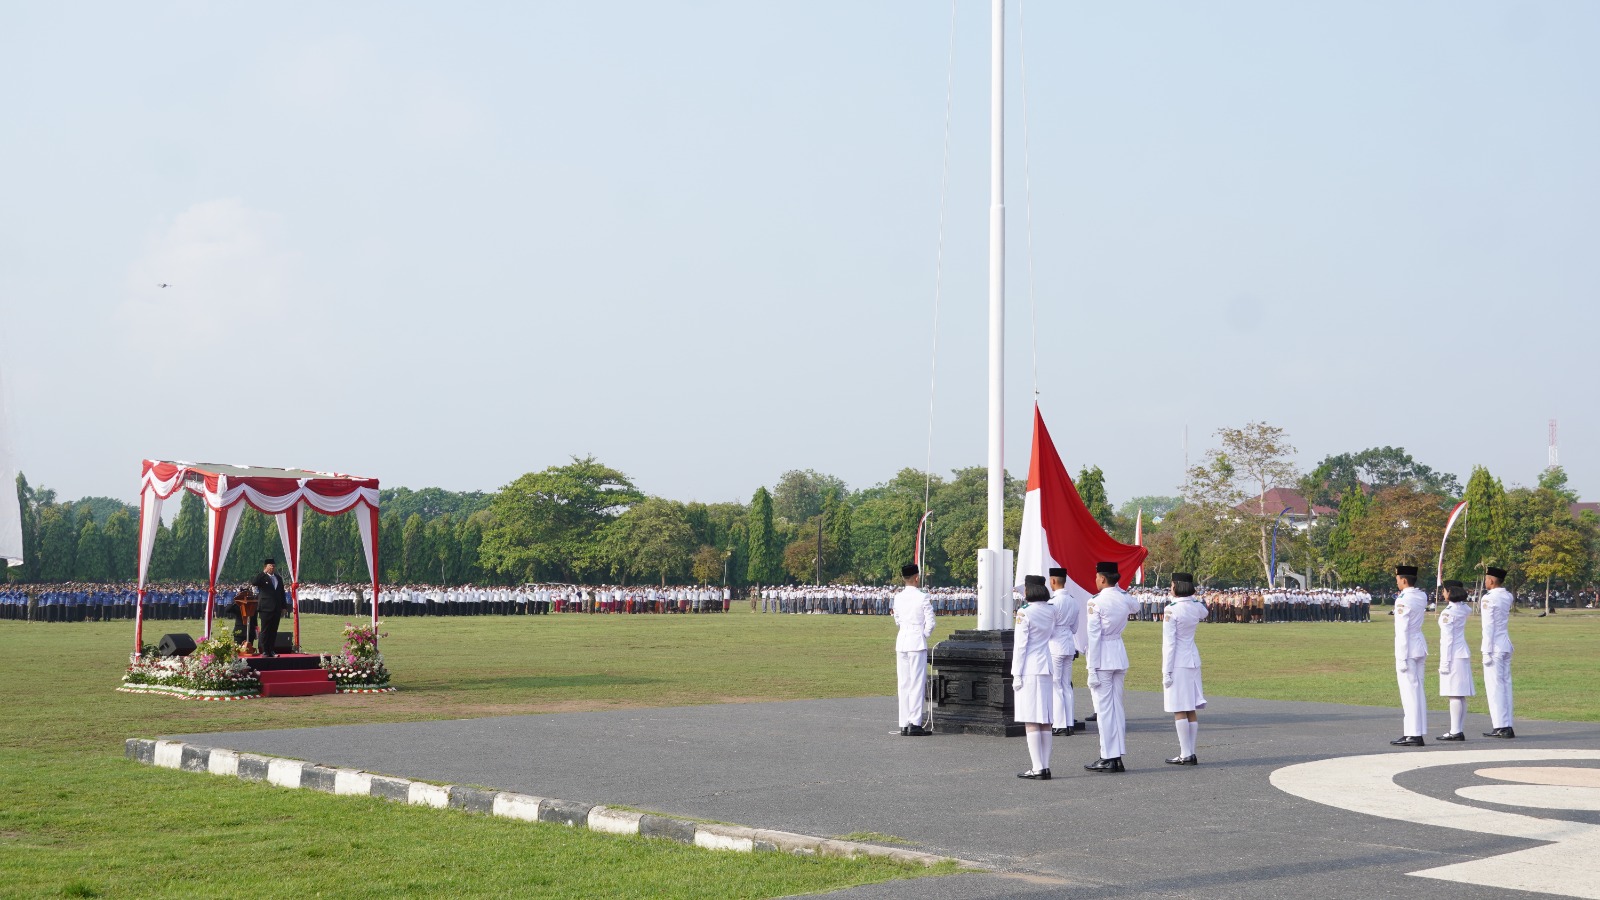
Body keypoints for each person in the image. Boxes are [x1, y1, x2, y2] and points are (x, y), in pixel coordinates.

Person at [1085, 561, 1137, 773]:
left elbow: (1094, 637)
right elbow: (1136, 606)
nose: (1096, 580)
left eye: (1097, 577)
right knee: (1117, 708)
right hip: (1118, 653)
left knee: (1105, 710)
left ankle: (1108, 756)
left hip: (1103, 657)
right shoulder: (1124, 598)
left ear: (1103, 579)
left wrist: (1091, 668)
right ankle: (1116, 756)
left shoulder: (1095, 602)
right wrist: (1119, 589)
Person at [1162, 573, 1209, 765]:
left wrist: (1166, 671)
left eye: (1172, 585)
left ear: (1177, 586)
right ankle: (1190, 751)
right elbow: (1204, 611)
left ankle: (1185, 753)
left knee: (1179, 707)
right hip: (1192, 658)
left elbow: (1169, 644)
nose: (1170, 588)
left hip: (1178, 662)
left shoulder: (1171, 610)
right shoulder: (1196, 607)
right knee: (1190, 707)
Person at [1013, 576, 1057, 779]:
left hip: (1029, 667)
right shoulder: (1051, 610)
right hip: (1045, 665)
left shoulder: (1025, 612)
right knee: (1045, 719)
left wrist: (1016, 674)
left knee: (1031, 719)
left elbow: (1020, 647)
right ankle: (1045, 766)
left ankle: (1037, 767)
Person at [892, 563, 936, 736]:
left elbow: (897, 619)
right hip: (916, 641)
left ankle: (904, 723)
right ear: (916, 578)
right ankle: (915, 723)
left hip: (902, 640)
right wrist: (923, 634)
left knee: (903, 683)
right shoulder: (922, 596)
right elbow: (930, 621)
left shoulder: (898, 597)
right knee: (917, 683)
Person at [1390, 564, 1429, 746]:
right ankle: (1417, 731)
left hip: (1408, 648)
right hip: (1419, 645)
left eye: (1398, 579)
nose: (1397, 583)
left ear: (1404, 580)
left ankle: (1412, 734)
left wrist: (1401, 656)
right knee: (1417, 690)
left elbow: (1402, 630)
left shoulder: (1403, 600)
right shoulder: (1421, 596)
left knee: (1409, 692)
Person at [1435, 580, 1474, 741]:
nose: (1442, 593)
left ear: (1450, 591)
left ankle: (1455, 731)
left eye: (1444, 590)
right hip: (1461, 653)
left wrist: (1444, 663)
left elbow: (1447, 640)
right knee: (1460, 695)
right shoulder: (1463, 609)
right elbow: (1465, 606)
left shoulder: (1448, 613)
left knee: (1455, 695)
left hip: (1453, 655)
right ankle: (1457, 729)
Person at [1047, 567, 1083, 737]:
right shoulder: (1073, 601)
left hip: (1055, 645)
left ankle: (1059, 723)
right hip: (1069, 644)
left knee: (1056, 685)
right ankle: (1068, 722)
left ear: (1053, 581)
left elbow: (1049, 628)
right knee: (1066, 685)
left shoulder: (1053, 602)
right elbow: (1075, 628)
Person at [1480, 566, 1516, 738]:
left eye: (1487, 578)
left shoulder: (1489, 598)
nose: (1485, 581)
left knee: (1495, 687)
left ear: (1492, 581)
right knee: (1506, 685)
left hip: (1494, 646)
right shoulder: (1507, 596)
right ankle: (1507, 724)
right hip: (1505, 644)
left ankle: (1500, 725)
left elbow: (1488, 626)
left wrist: (1485, 650)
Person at [251, 558, 289, 658]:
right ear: (266, 567)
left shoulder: (278, 578)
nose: (272, 567)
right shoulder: (262, 577)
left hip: (276, 608)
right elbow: (254, 582)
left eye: (273, 566)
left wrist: (284, 607)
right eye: (270, 566)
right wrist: (263, 572)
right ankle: (264, 650)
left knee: (273, 630)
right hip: (266, 608)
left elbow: (282, 593)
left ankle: (271, 650)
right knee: (265, 630)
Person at [229, 585, 260, 651]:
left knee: (249, 650)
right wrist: (236, 600)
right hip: (239, 631)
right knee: (237, 650)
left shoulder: (253, 604)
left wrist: (256, 629)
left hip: (250, 630)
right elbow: (227, 610)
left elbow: (254, 619)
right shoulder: (237, 605)